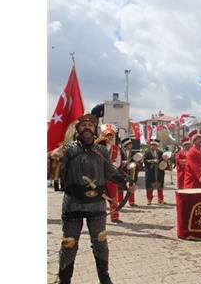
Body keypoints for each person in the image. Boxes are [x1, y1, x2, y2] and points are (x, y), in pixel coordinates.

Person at [50, 114, 135, 284]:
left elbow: (111, 172)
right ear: (78, 129)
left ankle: (104, 278)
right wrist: (52, 158)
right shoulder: (68, 149)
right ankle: (64, 280)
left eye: (90, 125)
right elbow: (52, 174)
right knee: (69, 243)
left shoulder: (101, 150)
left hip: (96, 203)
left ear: (95, 129)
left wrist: (125, 182)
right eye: (83, 125)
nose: (87, 127)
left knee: (100, 241)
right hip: (73, 202)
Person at [96, 125, 124, 223]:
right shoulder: (97, 147)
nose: (109, 138)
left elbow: (118, 162)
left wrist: (110, 166)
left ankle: (114, 217)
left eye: (111, 136)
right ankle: (98, 217)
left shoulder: (116, 149)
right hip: (99, 176)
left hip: (112, 176)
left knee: (113, 197)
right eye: (107, 135)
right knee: (98, 197)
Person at [143, 139, 166, 204]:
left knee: (160, 186)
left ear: (157, 146)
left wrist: (164, 160)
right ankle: (149, 200)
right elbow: (144, 161)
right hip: (150, 171)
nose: (153, 146)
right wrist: (152, 161)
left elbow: (163, 161)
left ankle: (160, 200)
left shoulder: (161, 152)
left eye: (155, 145)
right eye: (152, 145)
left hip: (159, 171)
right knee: (149, 186)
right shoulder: (147, 152)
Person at [120, 137, 138, 207]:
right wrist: (123, 163)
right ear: (126, 145)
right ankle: (120, 201)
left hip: (131, 173)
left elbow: (137, 162)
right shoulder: (120, 152)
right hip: (122, 172)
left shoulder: (134, 153)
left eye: (131, 144)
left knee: (131, 186)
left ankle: (131, 202)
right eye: (129, 145)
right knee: (120, 187)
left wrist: (135, 164)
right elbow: (117, 161)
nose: (131, 146)